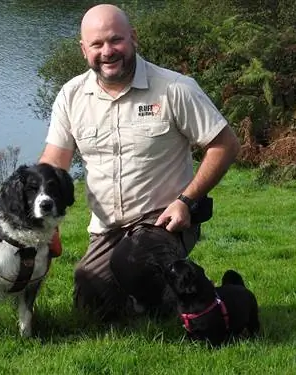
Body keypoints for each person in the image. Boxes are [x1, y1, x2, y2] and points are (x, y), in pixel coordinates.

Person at [39, 4, 240, 320]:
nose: (108, 51)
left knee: (135, 261)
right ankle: (145, 300)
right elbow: (54, 161)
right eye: (97, 44)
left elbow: (225, 144)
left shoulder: (175, 88)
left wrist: (187, 201)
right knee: (90, 302)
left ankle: (196, 305)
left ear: (133, 38)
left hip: (165, 219)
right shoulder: (71, 95)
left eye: (116, 40)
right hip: (108, 228)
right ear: (83, 50)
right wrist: (41, 217)